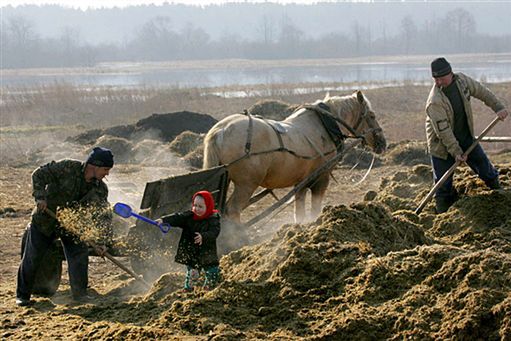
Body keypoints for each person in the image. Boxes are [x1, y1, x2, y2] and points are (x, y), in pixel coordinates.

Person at [16, 147, 114, 306]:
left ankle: (80, 295)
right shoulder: (67, 167)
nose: (107, 174)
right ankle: (22, 296)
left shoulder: (100, 189)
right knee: (32, 257)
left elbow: (103, 216)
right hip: (46, 219)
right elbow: (38, 174)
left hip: (71, 225)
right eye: (105, 169)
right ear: (94, 166)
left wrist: (102, 242)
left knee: (79, 257)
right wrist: (40, 197)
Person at [425, 57, 509, 213]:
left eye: (441, 78)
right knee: (443, 184)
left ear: (450, 74)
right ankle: (442, 211)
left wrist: (498, 107)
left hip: (464, 136)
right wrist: (456, 152)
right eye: (435, 79)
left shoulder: (462, 81)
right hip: (442, 145)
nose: (438, 83)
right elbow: (444, 132)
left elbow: (482, 92)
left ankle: (497, 189)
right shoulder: (434, 101)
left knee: (484, 166)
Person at [156, 190, 221, 292]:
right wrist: (164, 220)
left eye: (201, 207)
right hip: (192, 250)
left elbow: (214, 232)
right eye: (195, 205)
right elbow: (177, 217)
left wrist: (203, 236)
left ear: (208, 207)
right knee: (192, 272)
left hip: (207, 251)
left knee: (212, 270)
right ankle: (188, 288)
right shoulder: (189, 216)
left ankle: (209, 285)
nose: (197, 209)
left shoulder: (212, 219)